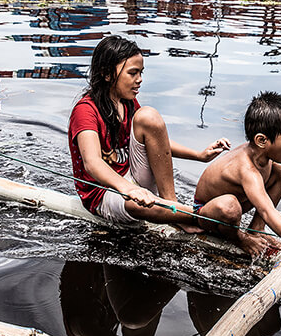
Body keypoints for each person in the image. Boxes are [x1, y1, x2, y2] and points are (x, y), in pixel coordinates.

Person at [69, 34, 229, 228]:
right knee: (135, 204)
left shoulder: (127, 103)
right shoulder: (85, 110)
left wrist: (199, 155)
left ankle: (173, 206)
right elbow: (92, 163)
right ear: (107, 74)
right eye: (133, 73)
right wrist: (129, 189)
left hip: (131, 177)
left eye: (141, 73)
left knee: (149, 116)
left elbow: (156, 143)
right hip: (104, 193)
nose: (140, 80)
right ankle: (197, 216)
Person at [193, 91, 281, 257]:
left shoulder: (261, 156)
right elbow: (267, 210)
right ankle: (239, 238)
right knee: (229, 205)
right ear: (261, 140)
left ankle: (256, 229)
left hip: (237, 205)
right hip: (206, 214)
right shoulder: (246, 169)